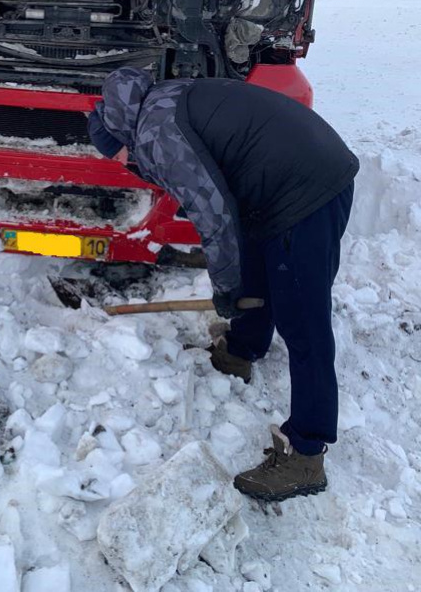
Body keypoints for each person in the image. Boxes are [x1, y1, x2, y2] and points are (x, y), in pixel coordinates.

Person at [87, 66, 357, 502]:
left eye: (114, 155)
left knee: (303, 320)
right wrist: (235, 280)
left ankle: (307, 452)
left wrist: (225, 288)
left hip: (307, 190)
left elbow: (211, 212)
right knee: (255, 257)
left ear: (120, 137)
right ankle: (242, 349)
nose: (119, 163)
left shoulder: (157, 135)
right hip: (287, 175)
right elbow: (226, 207)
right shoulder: (162, 100)